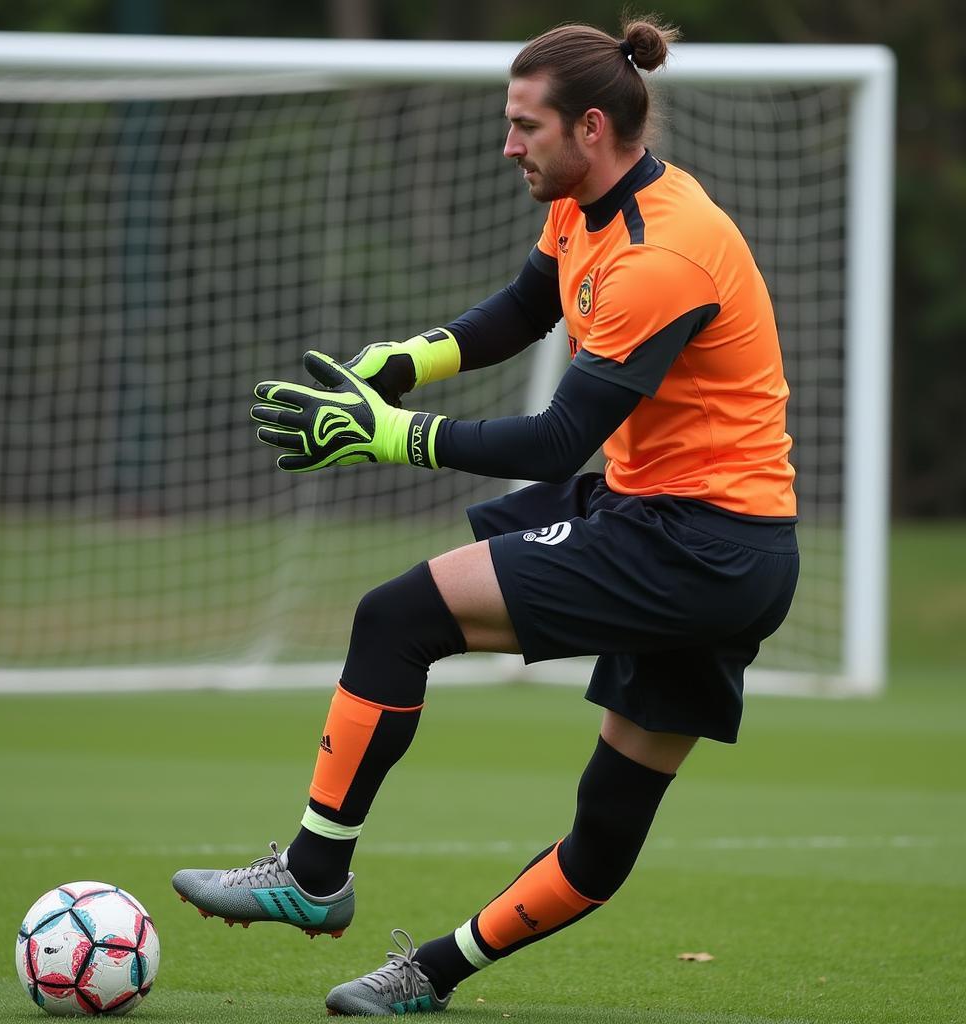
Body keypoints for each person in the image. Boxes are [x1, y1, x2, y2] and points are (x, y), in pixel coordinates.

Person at [172, 14, 799, 1017]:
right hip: (712, 544)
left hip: (692, 544)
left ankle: (312, 872)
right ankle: (426, 973)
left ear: (589, 127)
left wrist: (386, 435)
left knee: (397, 615)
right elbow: (521, 308)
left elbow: (554, 439)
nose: (507, 146)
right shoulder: (584, 205)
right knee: (604, 831)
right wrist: (401, 363)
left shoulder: (663, 254)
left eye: (523, 127)